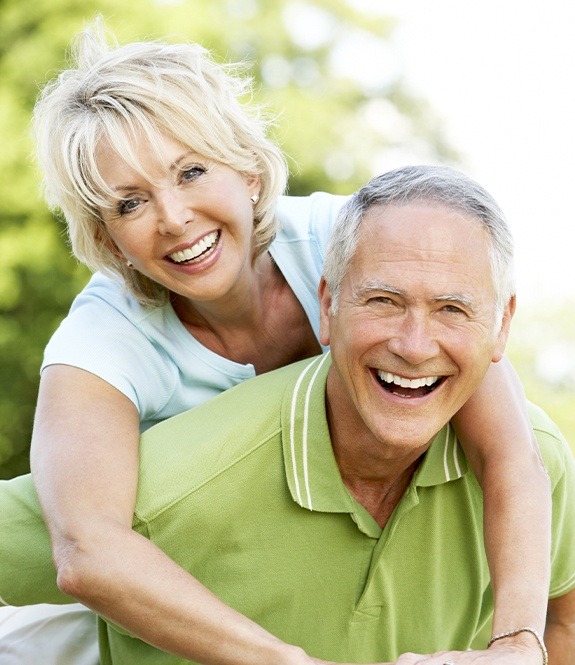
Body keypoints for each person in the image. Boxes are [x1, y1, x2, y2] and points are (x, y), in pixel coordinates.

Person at [0, 21, 551, 665]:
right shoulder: (99, 343)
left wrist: (518, 644)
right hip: (159, 611)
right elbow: (87, 552)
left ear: (249, 172)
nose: (174, 218)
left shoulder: (354, 245)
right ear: (106, 235)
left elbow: (511, 448)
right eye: (129, 203)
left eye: (192, 171)